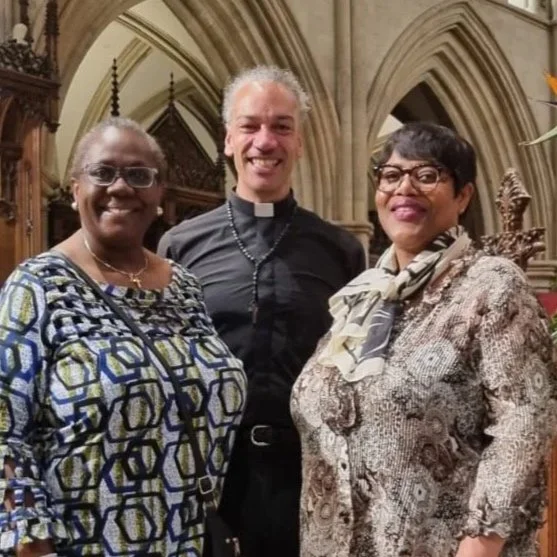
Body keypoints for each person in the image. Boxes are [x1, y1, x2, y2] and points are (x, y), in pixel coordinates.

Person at [291, 121, 557, 557]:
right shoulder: (363, 298)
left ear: (463, 196)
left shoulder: (490, 286)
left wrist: (480, 547)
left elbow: (523, 425)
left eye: (428, 175)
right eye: (391, 175)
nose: (405, 188)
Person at [0, 117, 246, 556]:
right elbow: (5, 435)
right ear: (75, 188)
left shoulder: (184, 287)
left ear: (159, 194)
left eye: (139, 175)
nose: (120, 187)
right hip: (85, 544)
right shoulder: (38, 287)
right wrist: (31, 545)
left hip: (188, 541)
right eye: (103, 172)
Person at [158, 65, 366, 557]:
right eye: (249, 126)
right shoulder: (180, 246)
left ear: (300, 143)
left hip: (308, 471)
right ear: (228, 139)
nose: (265, 141)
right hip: (211, 473)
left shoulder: (339, 250)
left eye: (282, 127)